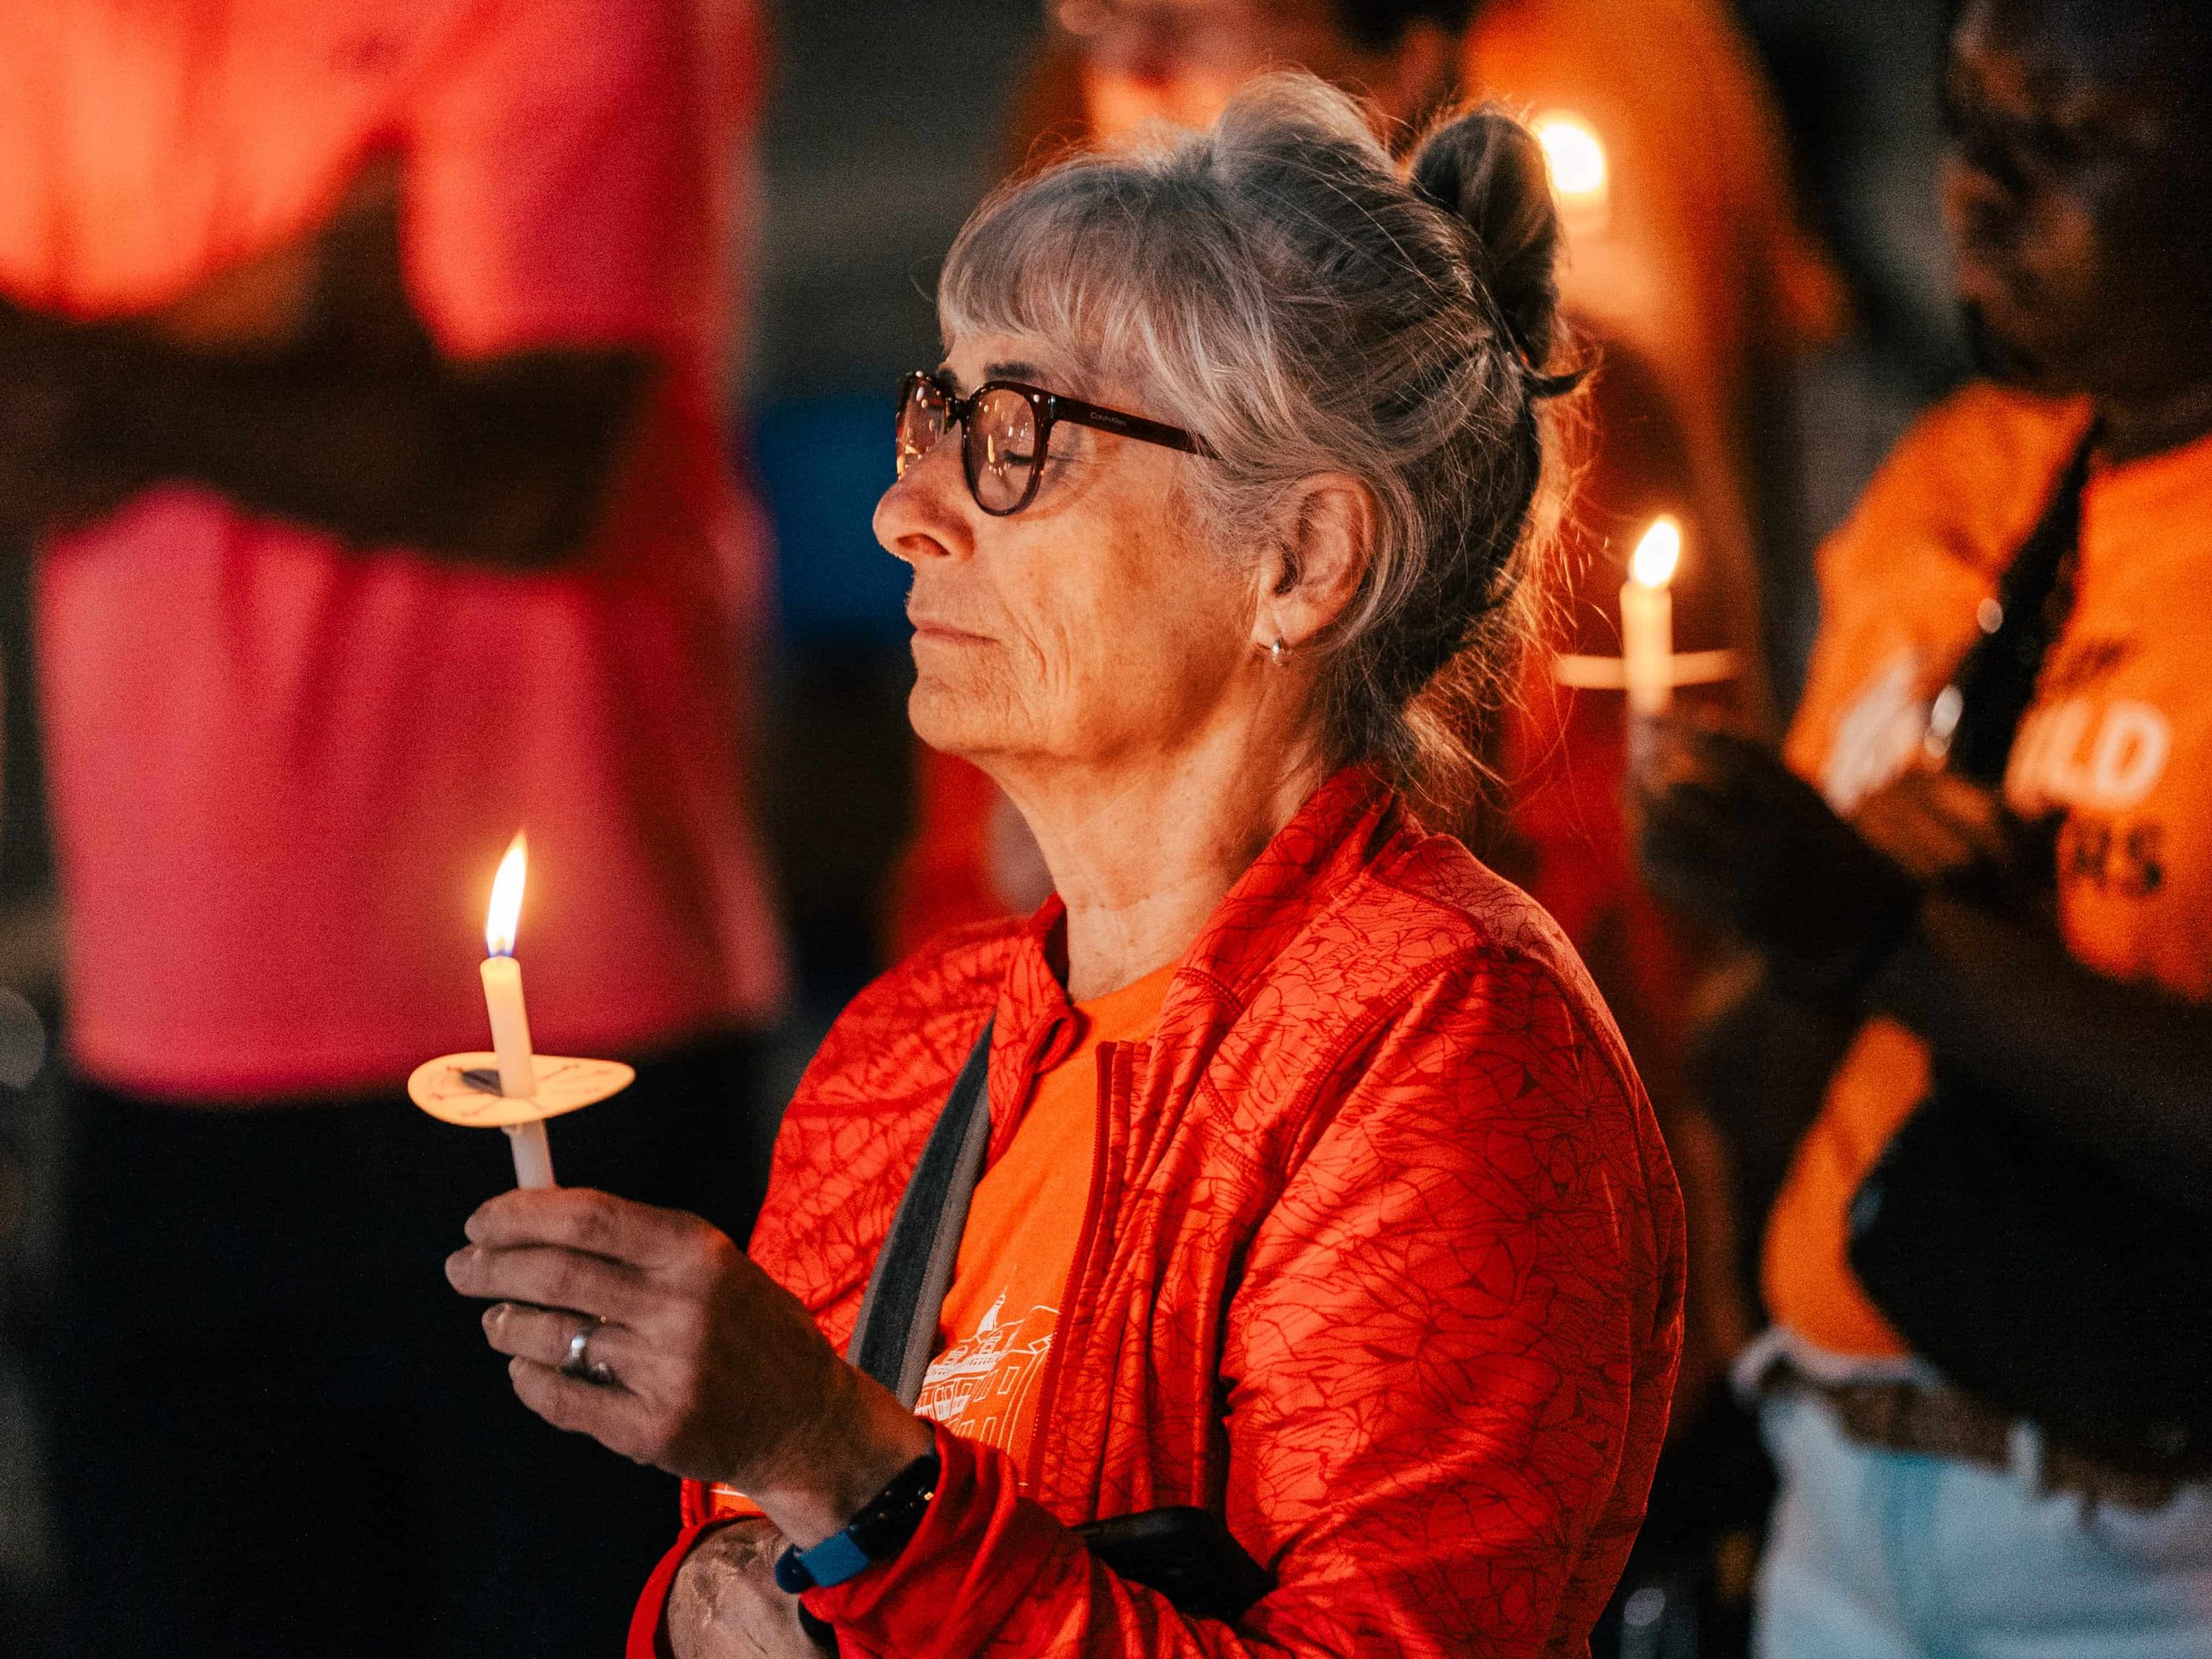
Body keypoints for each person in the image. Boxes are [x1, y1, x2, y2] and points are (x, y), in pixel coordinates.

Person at [447, 78, 1684, 1658]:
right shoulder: (904, 1056)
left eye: (1019, 435)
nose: (907, 510)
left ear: (1299, 561)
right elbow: (749, 1583)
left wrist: (840, 1468)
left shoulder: (1441, 1040)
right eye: (938, 414)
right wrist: (716, 1585)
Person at [0, 3, 785, 1655]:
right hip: (166, 1065)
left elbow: (526, 470)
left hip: (585, 1048)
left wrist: (102, 372)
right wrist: (304, 304)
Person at [1637, 0, 2212, 1651]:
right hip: (1839, 1490)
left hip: (2133, 1554)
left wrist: (1889, 935)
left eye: (2075, 139)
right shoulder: (1953, 487)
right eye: (1968, 119)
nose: (1980, 182)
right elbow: (1790, 1078)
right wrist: (1761, 905)